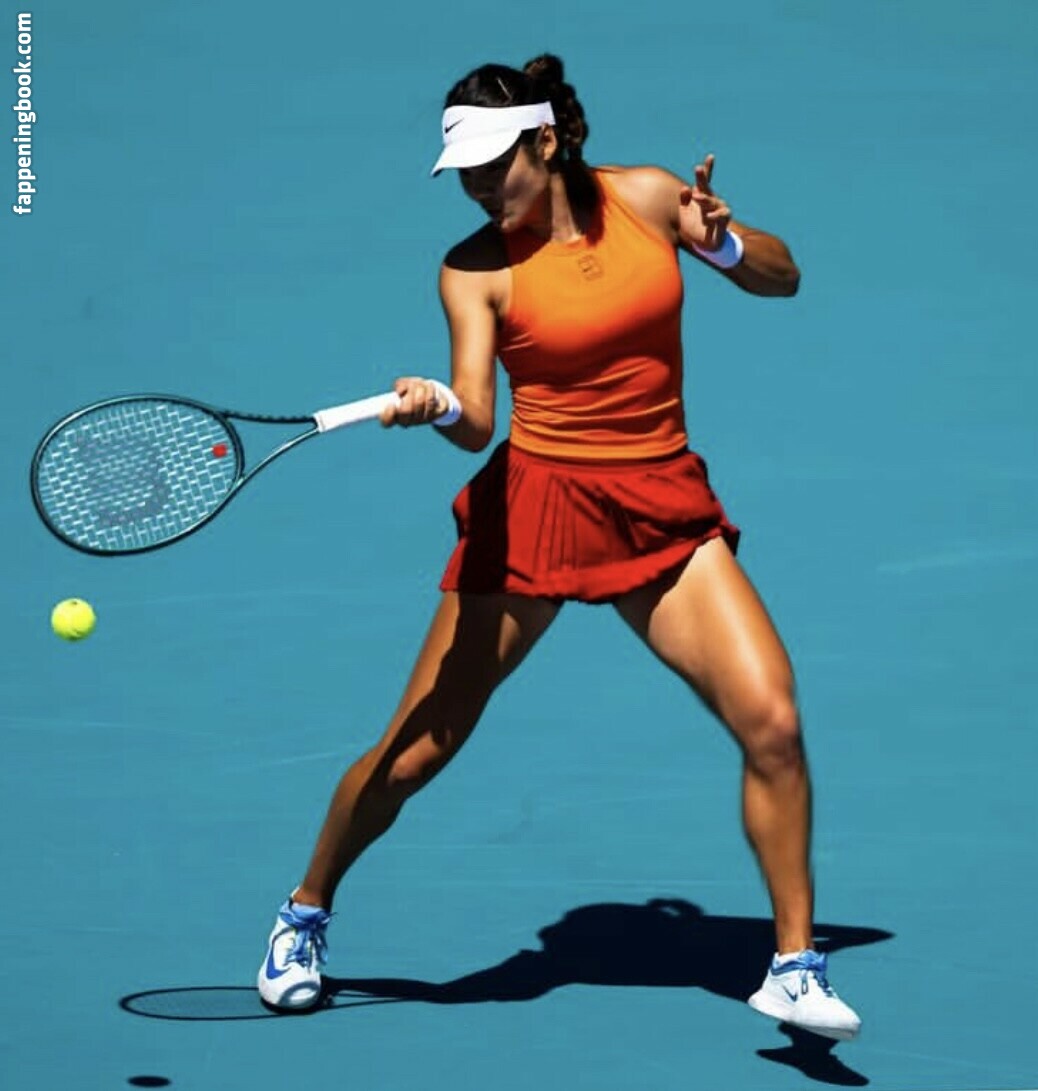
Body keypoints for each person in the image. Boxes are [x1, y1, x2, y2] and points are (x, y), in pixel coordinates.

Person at [257, 53, 861, 1042]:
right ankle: (304, 911)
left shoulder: (648, 198)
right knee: (415, 751)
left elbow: (781, 278)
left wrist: (720, 244)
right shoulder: (473, 268)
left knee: (772, 721)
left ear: (545, 141)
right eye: (463, 172)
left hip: (657, 501)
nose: (479, 185)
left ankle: (792, 968)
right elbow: (475, 418)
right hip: (534, 508)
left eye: (495, 165)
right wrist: (433, 402)